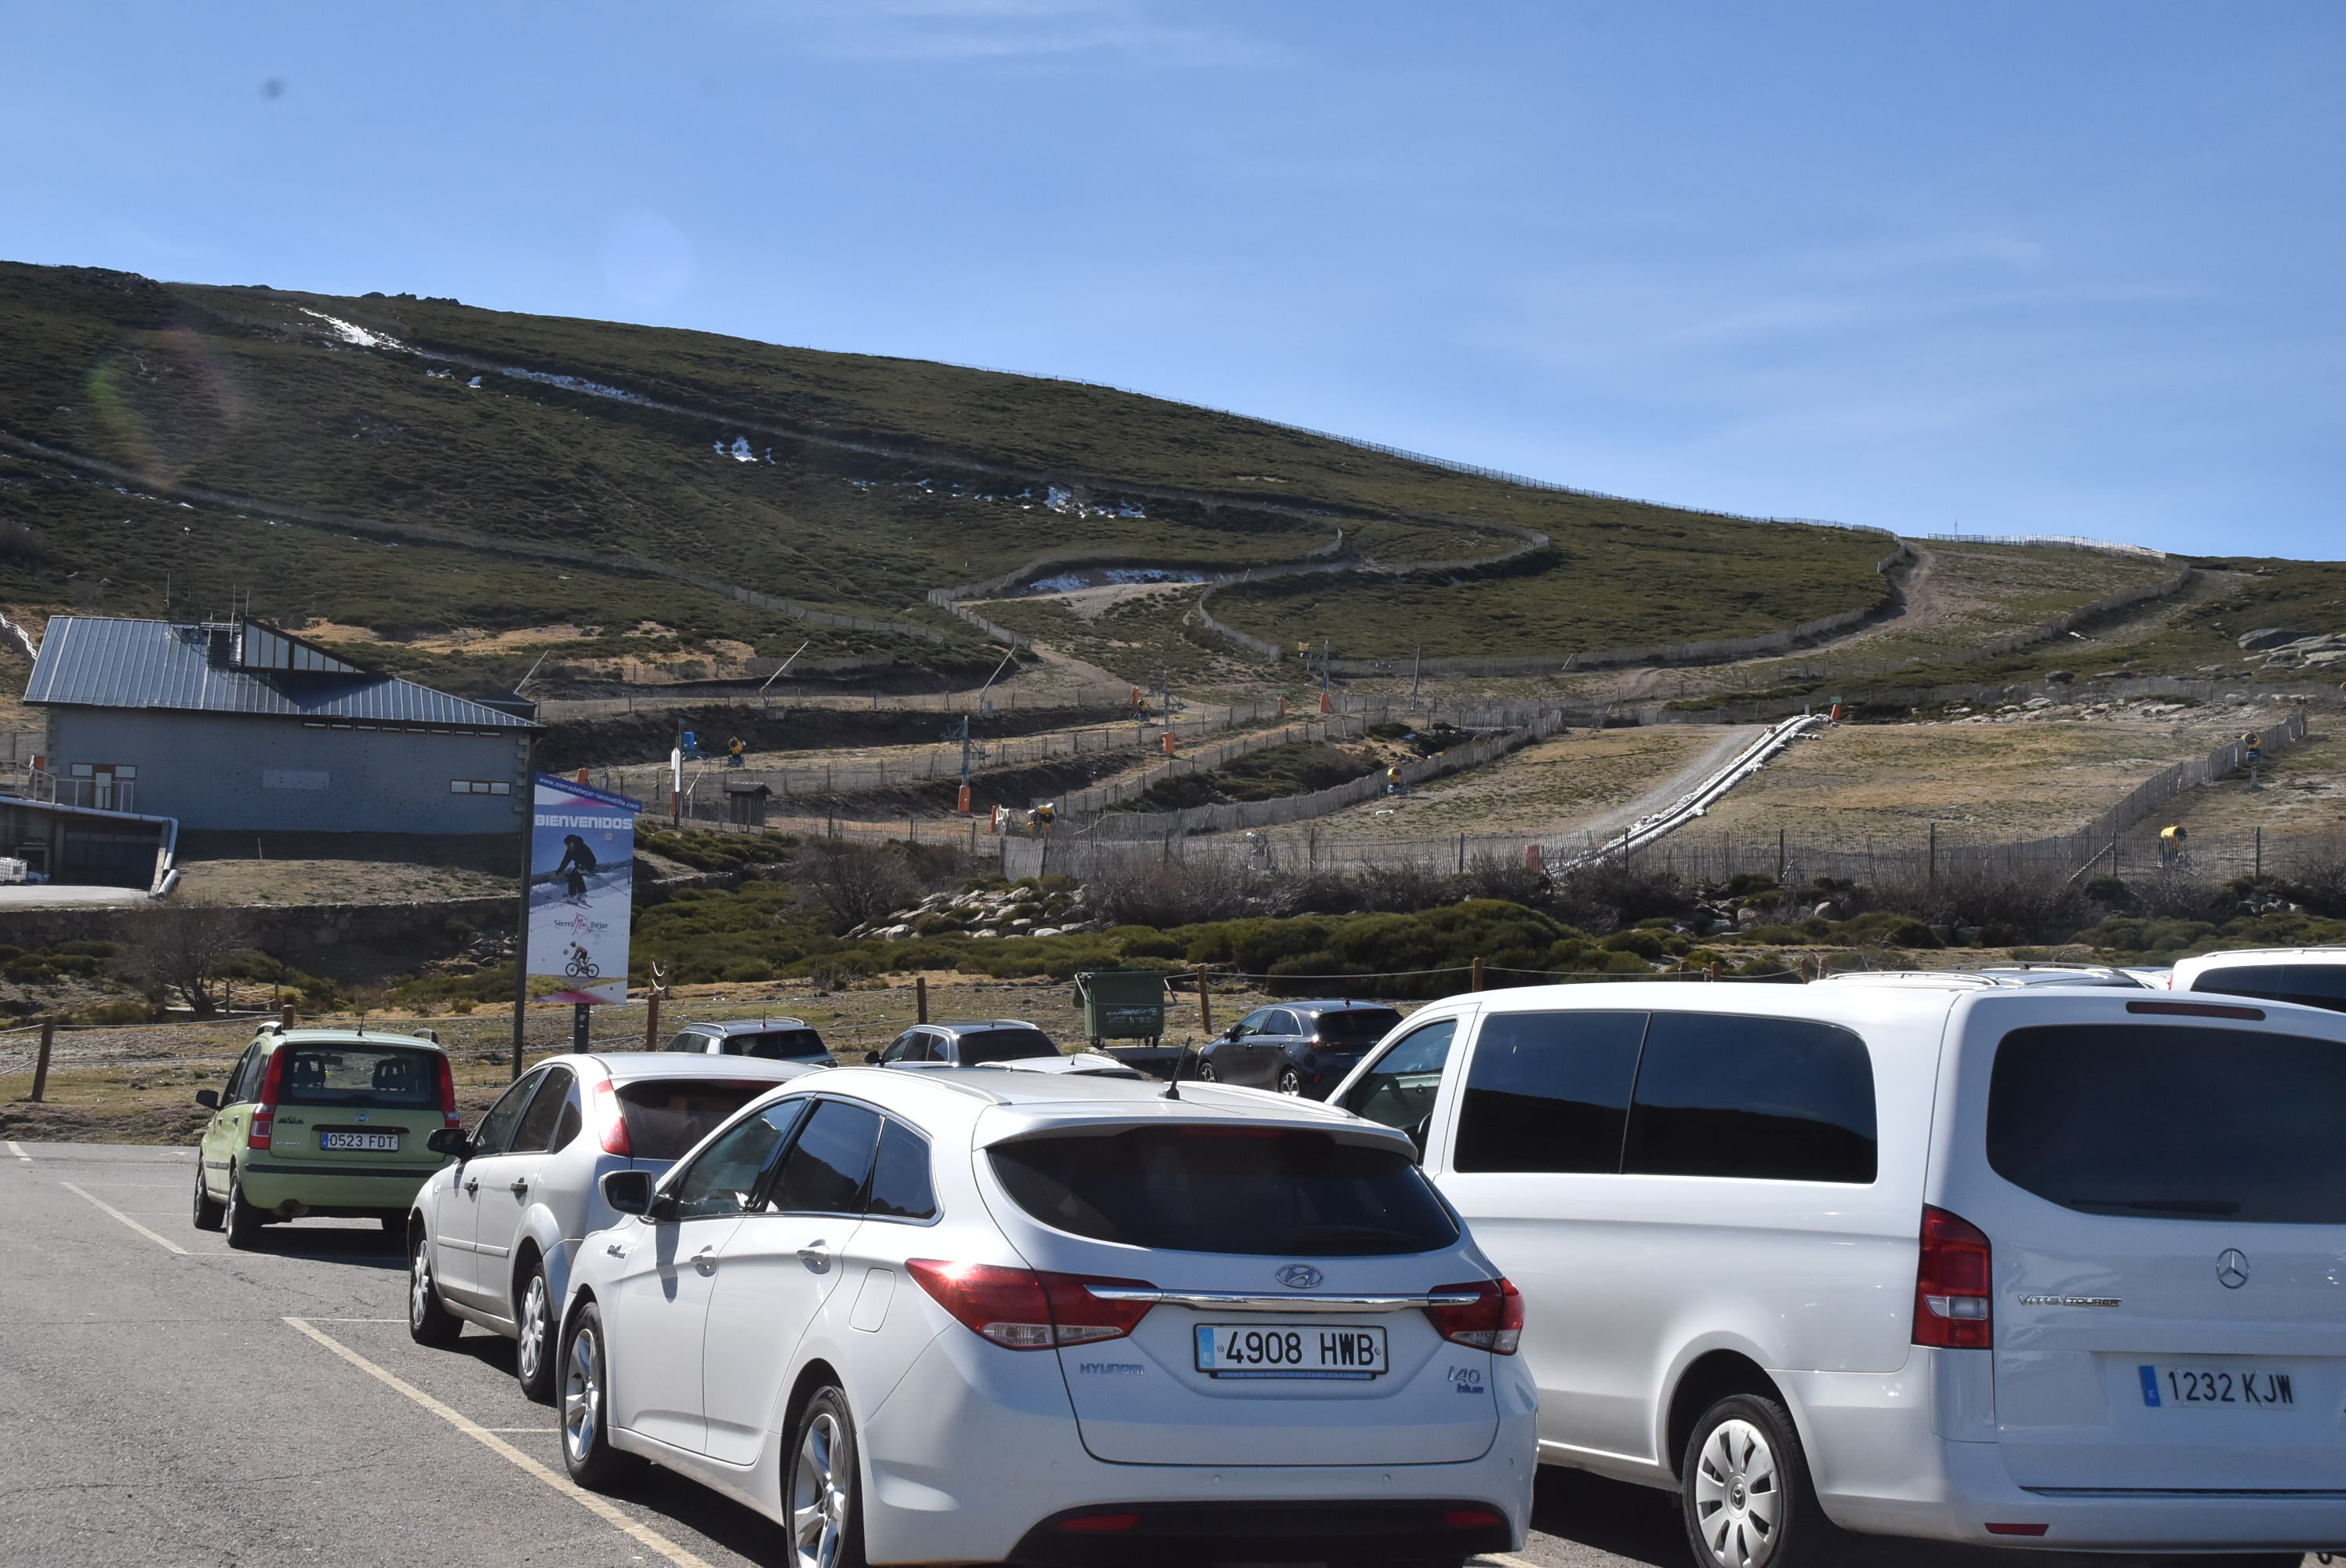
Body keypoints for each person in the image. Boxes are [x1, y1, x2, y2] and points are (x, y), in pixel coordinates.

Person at [554, 833, 598, 903]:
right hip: (579, 866)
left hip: (589, 864)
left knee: (574, 875)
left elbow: (589, 858)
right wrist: (559, 871)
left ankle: (574, 896)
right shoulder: (569, 851)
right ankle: (581, 896)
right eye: (567, 845)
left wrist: (585, 867)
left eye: (569, 844)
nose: (568, 846)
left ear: (573, 842)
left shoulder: (582, 847)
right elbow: (565, 861)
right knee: (574, 875)